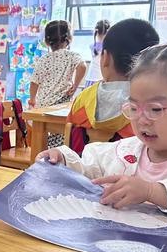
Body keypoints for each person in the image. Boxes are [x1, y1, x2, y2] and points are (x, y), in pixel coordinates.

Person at [36, 39, 167, 219]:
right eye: (134, 108)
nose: (141, 120)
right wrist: (64, 160)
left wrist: (152, 191)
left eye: (156, 109)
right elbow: (89, 170)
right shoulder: (124, 152)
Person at [67, 19, 160, 153]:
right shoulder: (156, 107)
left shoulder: (83, 99)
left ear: (105, 58)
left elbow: (70, 135)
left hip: (79, 170)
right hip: (129, 173)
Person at [29, 20, 86, 147]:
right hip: (59, 105)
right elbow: (82, 66)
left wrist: (32, 99)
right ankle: (56, 153)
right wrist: (75, 85)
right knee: (60, 132)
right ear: (69, 38)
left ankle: (41, 151)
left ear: (47, 41)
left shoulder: (43, 59)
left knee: (42, 132)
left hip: (42, 105)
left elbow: (34, 83)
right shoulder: (72, 56)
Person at [83, 19, 110, 88]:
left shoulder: (92, 46)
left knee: (88, 96)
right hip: (101, 78)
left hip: (91, 77)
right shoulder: (109, 47)